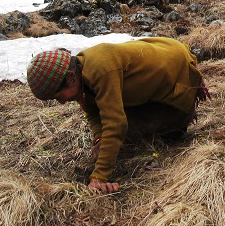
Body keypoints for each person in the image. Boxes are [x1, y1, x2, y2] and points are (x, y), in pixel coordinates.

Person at [26, 38, 209, 193]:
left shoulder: (101, 70)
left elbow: (116, 124)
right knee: (113, 132)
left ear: (70, 77)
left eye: (59, 96)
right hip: (166, 51)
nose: (62, 102)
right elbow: (92, 110)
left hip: (178, 72)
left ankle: (178, 118)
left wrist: (99, 177)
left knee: (129, 131)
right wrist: (99, 139)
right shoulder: (83, 68)